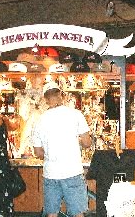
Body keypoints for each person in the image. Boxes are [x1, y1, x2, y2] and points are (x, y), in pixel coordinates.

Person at [32, 83, 92, 217]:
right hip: (73, 172)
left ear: (45, 99)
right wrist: (78, 142)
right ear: (61, 95)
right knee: (78, 213)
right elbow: (87, 143)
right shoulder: (76, 114)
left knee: (52, 213)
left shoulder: (39, 120)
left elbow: (38, 153)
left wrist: (50, 154)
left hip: (51, 174)